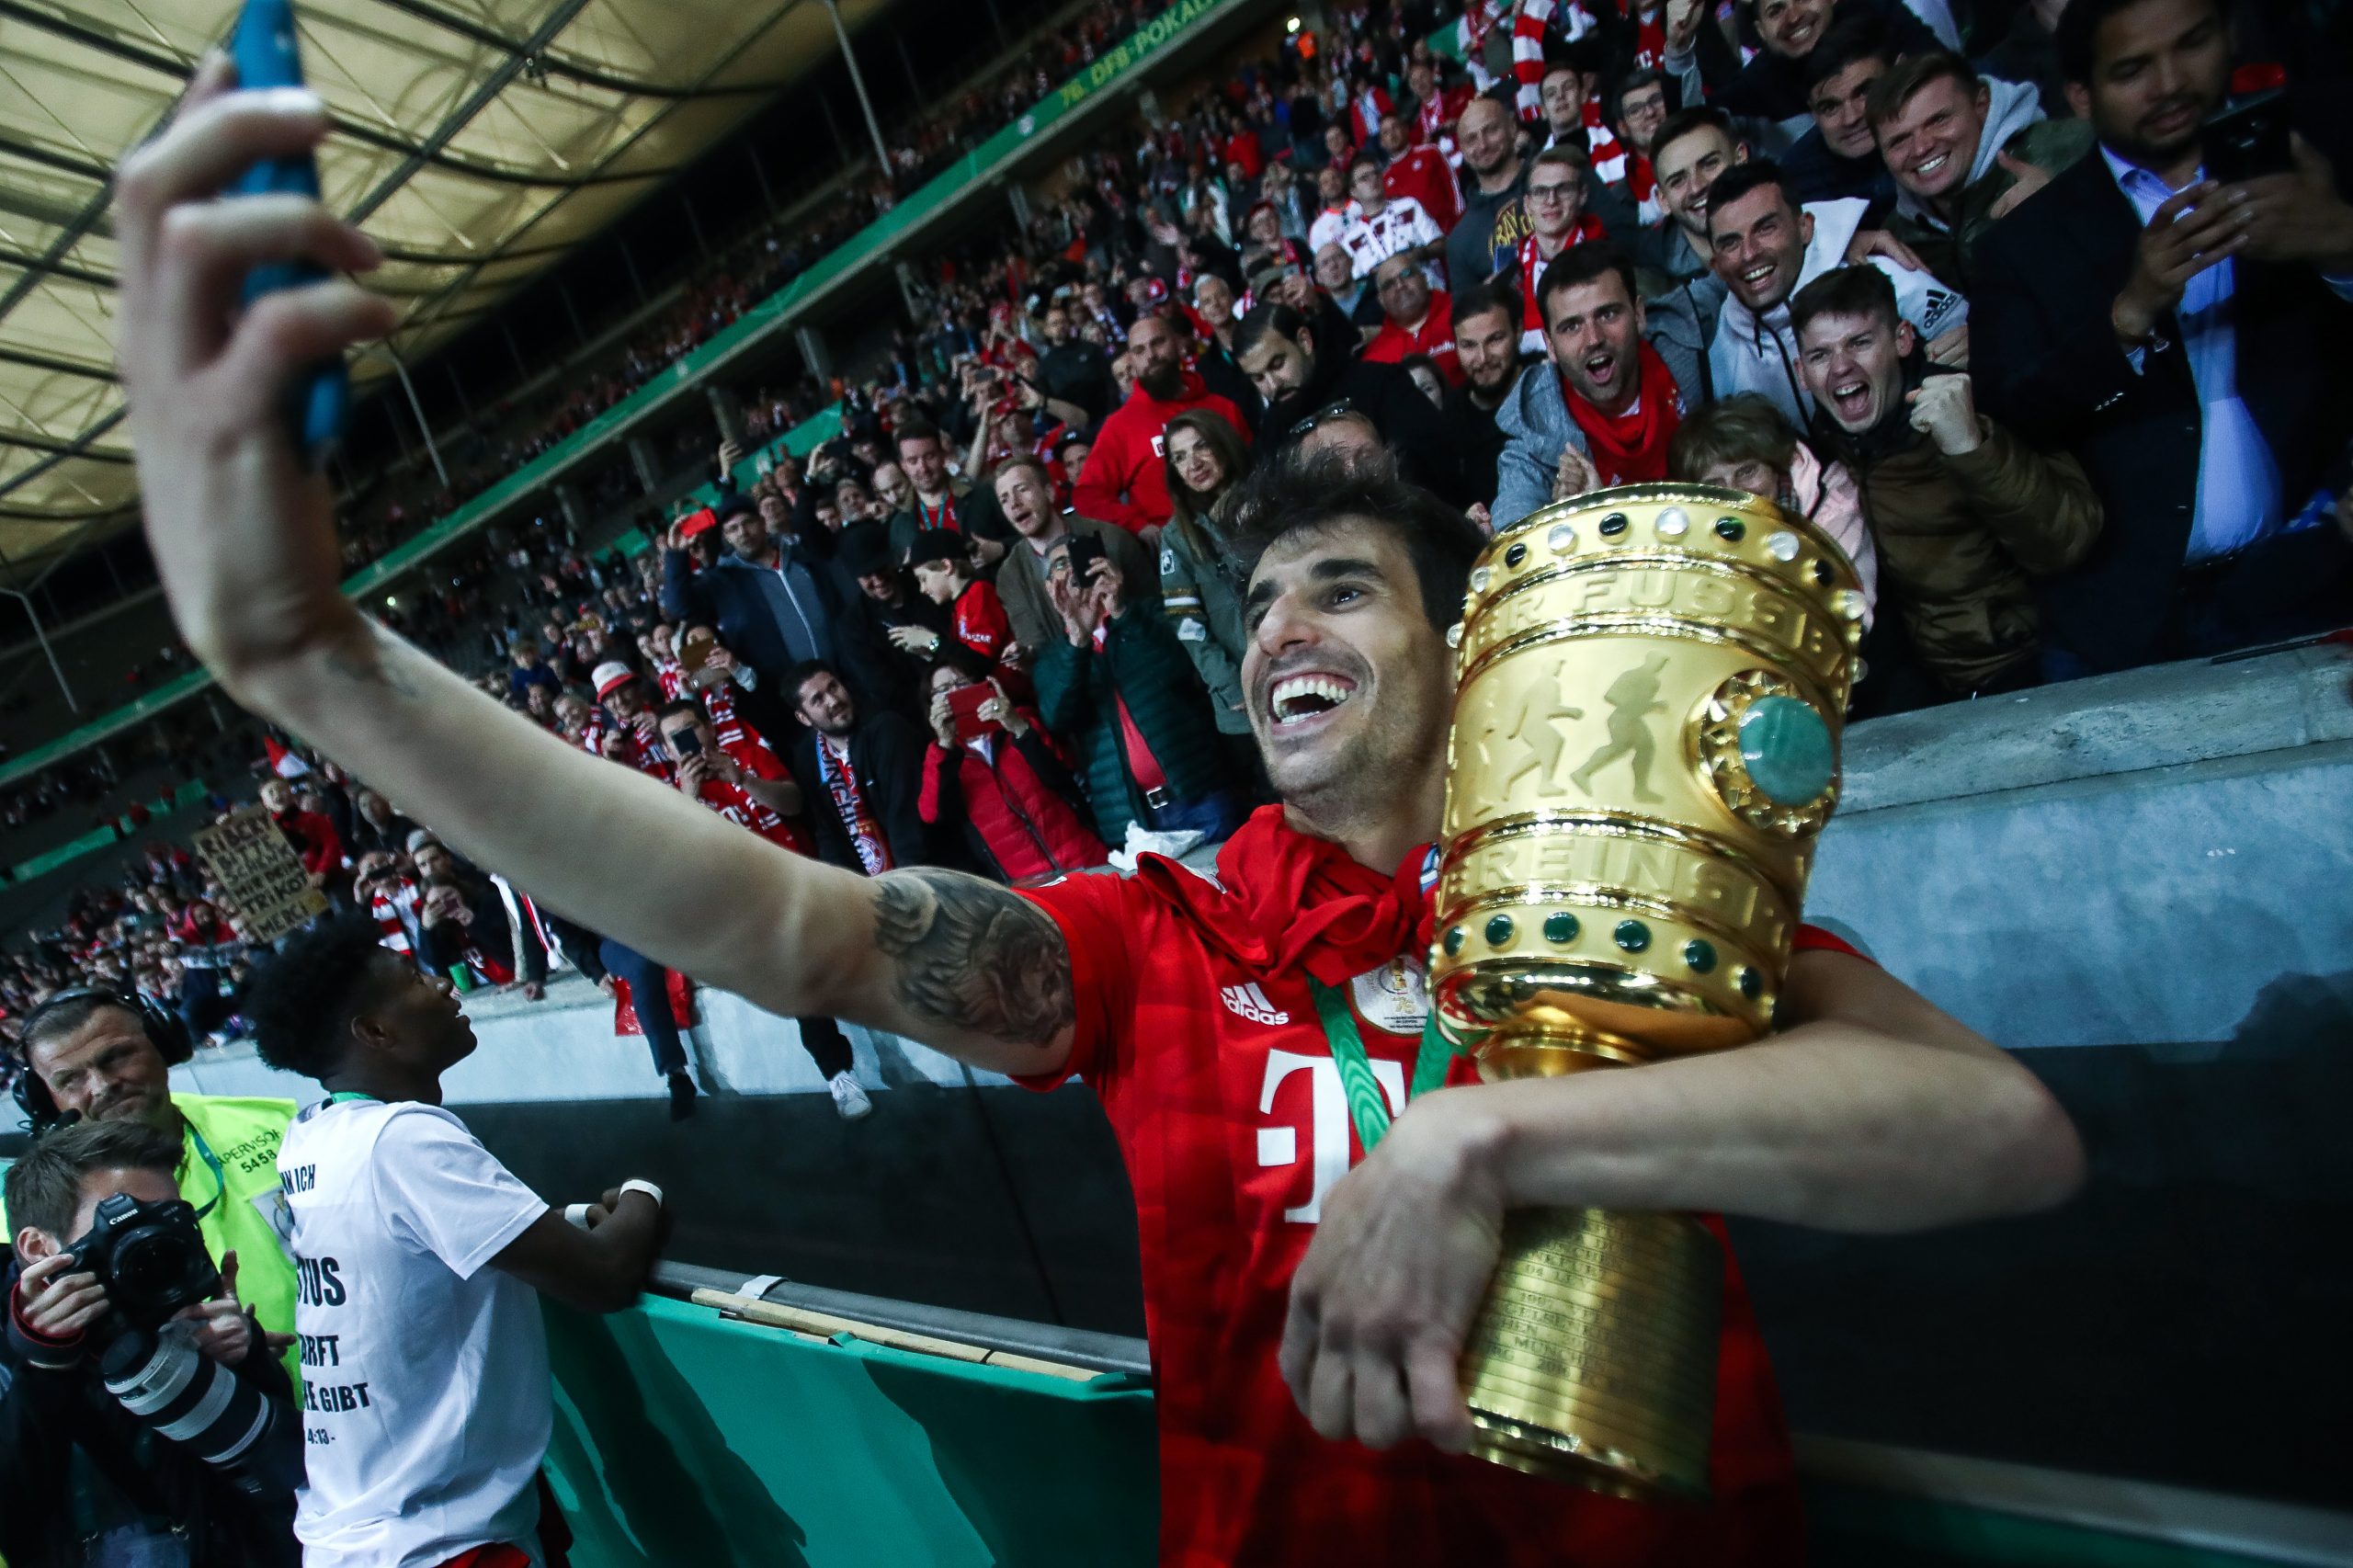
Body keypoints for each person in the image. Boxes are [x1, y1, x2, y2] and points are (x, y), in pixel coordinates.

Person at [119, 72, 2082, 1568]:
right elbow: (791, 926)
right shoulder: (1161, 942)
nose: (1280, 631)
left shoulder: (1600, 911)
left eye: (1343, 588)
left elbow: (1997, 1134)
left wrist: (1494, 1126)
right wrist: (322, 667)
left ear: (1463, 655)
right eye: (1260, 601)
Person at [241, 914, 666, 1568]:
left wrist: (568, 1219)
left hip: (357, 1532)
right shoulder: (402, 1137)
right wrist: (645, 1191)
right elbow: (604, 1277)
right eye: (413, 978)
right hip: (433, 1544)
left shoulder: (313, 1136)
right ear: (376, 1032)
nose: (442, 985)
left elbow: (427, 1241)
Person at [1972, 0, 2353, 675]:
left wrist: (2340, 245)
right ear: (2082, 95)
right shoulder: (2025, 245)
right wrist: (2128, 315)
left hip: (2318, 586)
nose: (2171, 81)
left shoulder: (2320, 160)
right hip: (2125, 628)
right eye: (2133, 70)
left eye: (2193, 44)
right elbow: (2014, 414)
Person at [1791, 265, 2104, 699]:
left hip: (2040, 666)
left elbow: (2068, 541)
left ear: (1902, 339)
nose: (1841, 367)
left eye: (1860, 343)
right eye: (1820, 355)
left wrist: (1971, 448)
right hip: (1936, 686)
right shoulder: (1824, 454)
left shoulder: (1977, 401)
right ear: (1801, 372)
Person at [4, 1119, 302, 1568]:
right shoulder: (16, 1359)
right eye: (123, 1221)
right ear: (39, 1248)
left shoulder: (198, 1324)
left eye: (169, 1218)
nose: (153, 1240)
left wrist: (248, 1360)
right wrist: (46, 1367)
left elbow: (292, 1480)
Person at [6, 988, 301, 1388]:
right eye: (70, 1079)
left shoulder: (276, 1126)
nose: (101, 1085)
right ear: (44, 1100)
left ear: (165, 1044)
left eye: (117, 1057)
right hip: (195, 1421)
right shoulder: (27, 1221)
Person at [657, 699, 872, 1120]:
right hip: (755, 908)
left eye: (692, 729)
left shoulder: (748, 755)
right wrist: (690, 799)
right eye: (675, 738)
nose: (689, 742)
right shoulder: (671, 800)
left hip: (809, 879)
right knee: (795, 975)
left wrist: (743, 780)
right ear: (667, 750)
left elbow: (793, 803)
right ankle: (838, 1075)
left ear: (707, 728)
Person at [1705, 159, 1970, 426]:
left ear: (1804, 227)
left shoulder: (1882, 275)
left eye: (1766, 228)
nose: (1749, 253)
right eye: (1730, 243)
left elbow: (1972, 341)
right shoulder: (1721, 353)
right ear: (1715, 264)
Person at [1033, 537, 1247, 846]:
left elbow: (1178, 667)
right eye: (1060, 565)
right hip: (1133, 821)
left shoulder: (1145, 615)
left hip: (1202, 796)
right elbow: (1059, 717)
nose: (1072, 571)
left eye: (1078, 560)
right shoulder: (1052, 659)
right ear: (1050, 586)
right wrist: (1078, 640)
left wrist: (1120, 611)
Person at [1495, 241, 1699, 528]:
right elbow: (1514, 530)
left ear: (1639, 315)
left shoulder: (1686, 345)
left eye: (1608, 314)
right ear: (1550, 346)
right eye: (1572, 327)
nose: (1593, 339)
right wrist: (1567, 518)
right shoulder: (1532, 429)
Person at [1869, 51, 2093, 285]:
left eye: (1938, 120)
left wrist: (2065, 210)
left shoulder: (2075, 150)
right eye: (1899, 140)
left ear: (1981, 105)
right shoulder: (1893, 240)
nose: (1921, 148)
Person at [1235, 302, 1466, 505]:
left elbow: (1434, 462)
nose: (1273, 385)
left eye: (1277, 364)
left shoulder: (1379, 383)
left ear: (1304, 341)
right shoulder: (1269, 438)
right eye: (1258, 378)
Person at [918, 661, 1108, 882]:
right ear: (931, 705)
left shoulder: (1019, 721)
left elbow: (1062, 769)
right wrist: (945, 744)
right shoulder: (943, 757)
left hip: (1086, 860)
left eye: (961, 683)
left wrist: (1016, 724)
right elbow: (934, 814)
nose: (953, 692)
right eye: (942, 690)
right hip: (1029, 887)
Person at [1072, 311, 1250, 534]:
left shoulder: (1223, 407)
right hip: (1176, 548)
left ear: (1177, 343)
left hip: (1242, 528)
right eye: (1139, 350)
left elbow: (1253, 471)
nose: (1151, 356)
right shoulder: (1120, 426)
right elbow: (1087, 496)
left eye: (1158, 343)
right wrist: (1138, 526)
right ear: (1132, 361)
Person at [659, 494, 842, 688]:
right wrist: (675, 555)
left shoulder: (800, 555)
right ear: (727, 537)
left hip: (842, 675)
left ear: (762, 522)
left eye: (747, 523)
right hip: (783, 694)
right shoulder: (722, 581)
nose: (743, 532)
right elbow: (679, 607)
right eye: (733, 529)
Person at [992, 453, 1156, 655]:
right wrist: (1025, 656)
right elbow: (1038, 649)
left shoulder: (1113, 539)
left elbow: (1156, 611)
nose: (1014, 503)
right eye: (1004, 499)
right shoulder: (1011, 575)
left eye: (1022, 489)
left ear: (1050, 493)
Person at [1157, 410, 1256, 741]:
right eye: (1180, 457)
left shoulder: (1268, 499)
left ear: (1223, 444)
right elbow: (1186, 621)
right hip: (1243, 696)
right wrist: (1229, 683)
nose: (1194, 463)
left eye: (1202, 447)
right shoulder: (1176, 537)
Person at [785, 661, 932, 874]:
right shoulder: (809, 757)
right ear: (803, 718)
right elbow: (828, 834)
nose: (833, 701)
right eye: (818, 699)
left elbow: (906, 818)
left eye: (833, 687)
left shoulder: (886, 730)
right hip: (874, 882)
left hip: (926, 870)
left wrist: (906, 890)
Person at [1781, 17, 1900, 205]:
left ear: (1898, 74)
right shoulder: (1796, 179)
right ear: (1813, 113)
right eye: (1830, 107)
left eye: (1864, 93)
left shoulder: (1941, 130)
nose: (1851, 118)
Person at [1444, 95, 1534, 292]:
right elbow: (1467, 318)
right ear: (1463, 152)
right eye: (1471, 139)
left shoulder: (1559, 177)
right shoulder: (1460, 241)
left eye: (1491, 130)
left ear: (1512, 127)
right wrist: (1487, 298)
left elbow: (1615, 236)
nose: (1482, 145)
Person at [1336, 156, 1445, 281]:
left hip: (1429, 287)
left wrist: (1417, 254)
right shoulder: (1351, 239)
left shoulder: (1409, 206)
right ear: (1353, 191)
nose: (1373, 179)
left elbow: (1441, 245)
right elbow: (1358, 281)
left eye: (1376, 174)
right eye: (1364, 178)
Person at [1360, 253, 1462, 383]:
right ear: (1381, 301)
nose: (1400, 286)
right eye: (1389, 284)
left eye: (1406, 274)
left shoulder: (1461, 311)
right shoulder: (1374, 358)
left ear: (1424, 279)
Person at [1376, 108, 1461, 233]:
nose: (1392, 134)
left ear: (1405, 129)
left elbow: (1454, 188)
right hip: (1423, 246)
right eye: (1386, 132)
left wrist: (1461, 221)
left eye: (1395, 127)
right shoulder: (1384, 180)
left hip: (1452, 230)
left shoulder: (1430, 152)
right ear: (1382, 142)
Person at [258, 774, 341, 892]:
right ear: (265, 803)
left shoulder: (312, 818)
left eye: (280, 789)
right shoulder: (267, 831)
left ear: (290, 791)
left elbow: (331, 844)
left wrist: (321, 871)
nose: (277, 794)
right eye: (271, 792)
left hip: (328, 881)